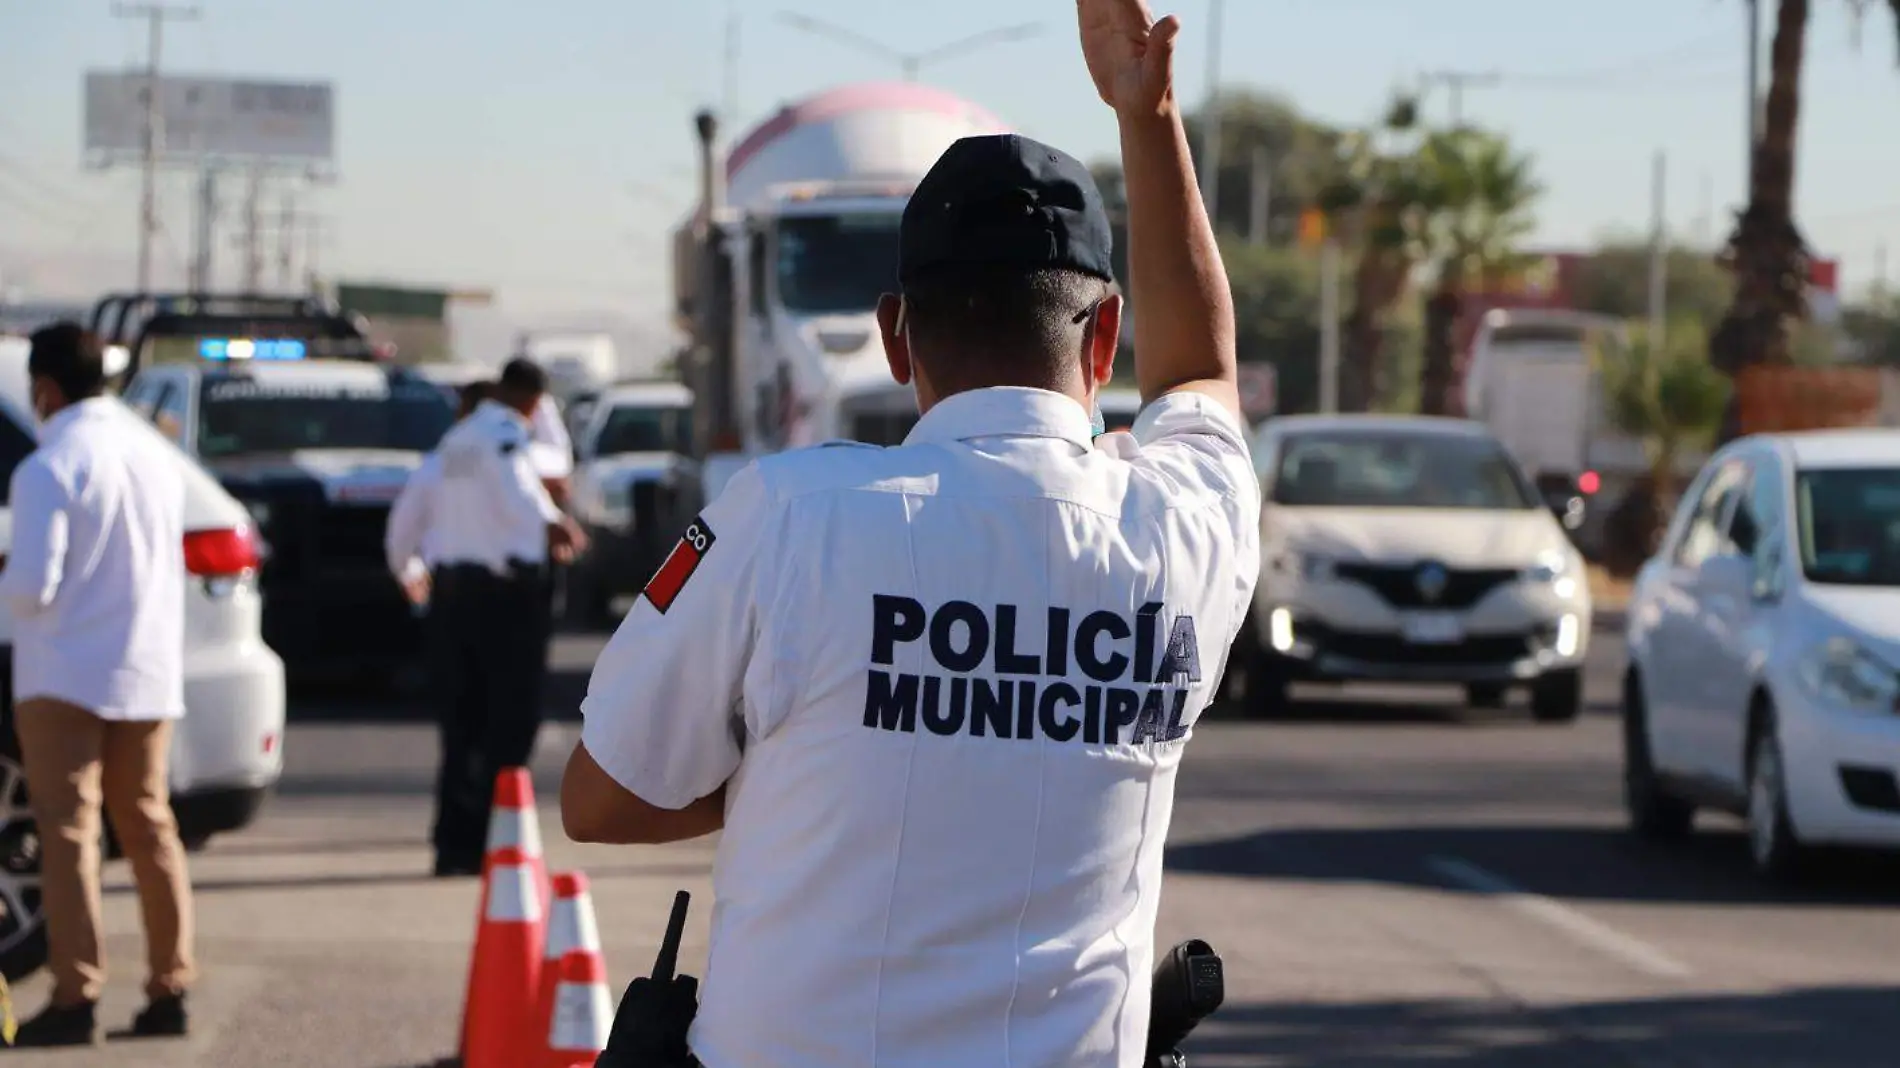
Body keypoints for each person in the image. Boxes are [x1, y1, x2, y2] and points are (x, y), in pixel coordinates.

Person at [559, 2, 1258, 1065]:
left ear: (895, 335)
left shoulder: (786, 516)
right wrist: (1146, 113)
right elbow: (1203, 370)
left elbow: (603, 797)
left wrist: (826, 770)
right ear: (1103, 333)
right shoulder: (1181, 532)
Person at [0, 323, 194, 1046]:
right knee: (150, 830)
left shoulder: (47, 468)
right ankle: (170, 988)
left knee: (70, 834)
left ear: (45, 390)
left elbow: (32, 589)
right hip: (145, 671)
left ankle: (77, 995)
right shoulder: (155, 455)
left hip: (63, 678)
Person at [424, 360, 586, 877]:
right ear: (532, 403)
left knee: (461, 725)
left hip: (452, 597)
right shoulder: (505, 438)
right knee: (510, 724)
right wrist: (555, 524)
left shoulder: (452, 444)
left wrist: (406, 566)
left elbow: (407, 519)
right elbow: (525, 488)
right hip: (508, 598)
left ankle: (455, 844)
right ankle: (500, 839)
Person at [385, 379, 495, 609]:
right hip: (479, 590)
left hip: (459, 590)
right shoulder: (440, 467)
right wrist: (411, 574)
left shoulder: (436, 466)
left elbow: (401, 535)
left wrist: (407, 572)